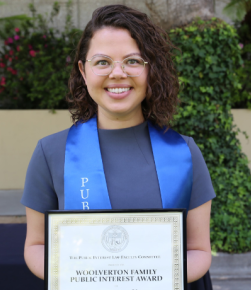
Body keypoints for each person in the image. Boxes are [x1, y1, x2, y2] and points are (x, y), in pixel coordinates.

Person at [21, 4, 216, 289]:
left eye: (133, 61)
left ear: (151, 69)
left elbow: (199, 251)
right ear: (83, 71)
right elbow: (36, 246)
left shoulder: (184, 153)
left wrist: (144, 277)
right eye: (102, 62)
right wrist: (77, 275)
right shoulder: (51, 153)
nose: (117, 73)